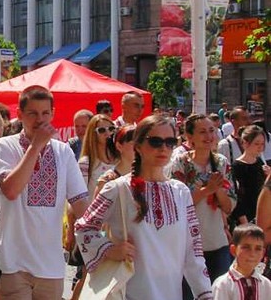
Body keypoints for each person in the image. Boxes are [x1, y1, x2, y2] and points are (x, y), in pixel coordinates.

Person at [76, 115, 212, 299]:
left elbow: (193, 249)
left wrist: (204, 294)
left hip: (172, 293)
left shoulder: (181, 192)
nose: (163, 148)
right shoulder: (118, 188)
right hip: (128, 292)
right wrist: (110, 249)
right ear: (138, 146)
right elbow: (84, 228)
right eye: (155, 141)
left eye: (170, 142)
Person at [0, 85, 88, 300]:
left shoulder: (63, 151)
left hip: (50, 265)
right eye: (32, 113)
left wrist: (107, 232)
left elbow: (81, 202)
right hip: (13, 262)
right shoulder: (4, 146)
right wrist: (35, 146)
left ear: (53, 114)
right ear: (20, 115)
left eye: (45, 113)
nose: (40, 119)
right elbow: (11, 190)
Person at [170, 114, 237, 291]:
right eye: (202, 132)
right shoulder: (180, 163)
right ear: (189, 136)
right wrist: (206, 191)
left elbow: (229, 206)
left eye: (211, 130)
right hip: (187, 244)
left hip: (216, 240)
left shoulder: (221, 162)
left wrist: (217, 189)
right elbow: (176, 205)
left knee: (218, 291)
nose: (209, 136)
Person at [212, 224, 271, 299]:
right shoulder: (223, 284)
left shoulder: (266, 285)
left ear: (263, 253)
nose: (252, 254)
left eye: (258, 249)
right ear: (233, 250)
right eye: (246, 247)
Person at [231, 125, 269, 226]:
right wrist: (245, 223)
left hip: (262, 213)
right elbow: (238, 196)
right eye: (256, 144)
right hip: (248, 217)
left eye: (262, 144)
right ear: (245, 143)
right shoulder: (237, 166)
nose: (260, 147)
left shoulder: (260, 162)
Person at [78, 114, 118, 198]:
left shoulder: (121, 159)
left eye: (111, 129)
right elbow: (80, 196)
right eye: (102, 130)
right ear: (93, 134)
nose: (108, 133)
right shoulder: (85, 163)